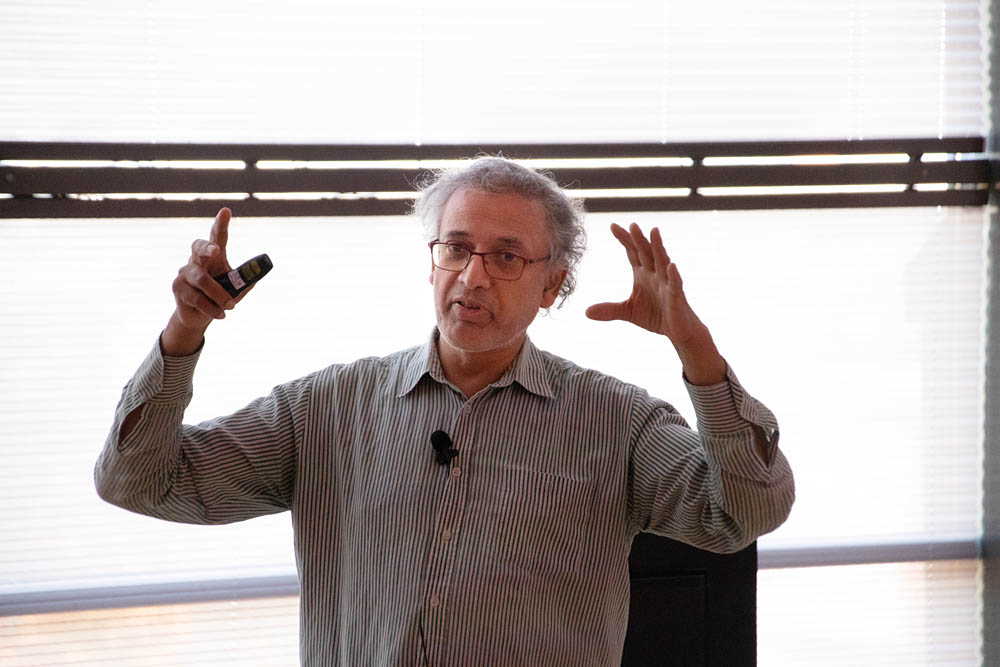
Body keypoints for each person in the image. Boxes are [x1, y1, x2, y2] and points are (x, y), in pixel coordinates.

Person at [95, 156, 794, 666]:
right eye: (456, 248)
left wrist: (695, 348)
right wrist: (185, 329)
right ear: (432, 263)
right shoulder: (326, 408)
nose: (473, 275)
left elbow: (745, 512)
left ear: (554, 285)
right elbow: (138, 480)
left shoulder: (620, 422)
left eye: (507, 256)